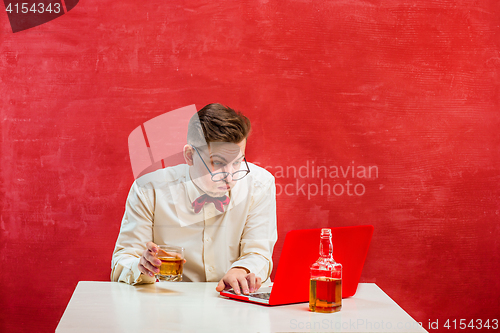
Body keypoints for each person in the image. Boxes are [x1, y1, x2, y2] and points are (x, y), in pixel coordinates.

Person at [111, 103, 277, 295]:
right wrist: (141, 266)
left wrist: (242, 270)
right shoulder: (149, 189)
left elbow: (258, 253)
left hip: (234, 302)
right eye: (218, 163)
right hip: (166, 305)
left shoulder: (260, 185)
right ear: (189, 156)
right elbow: (123, 260)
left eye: (237, 162)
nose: (230, 177)